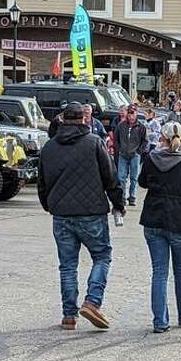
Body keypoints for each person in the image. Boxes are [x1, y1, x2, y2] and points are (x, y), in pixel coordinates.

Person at [37, 102, 125, 331]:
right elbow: (110, 177)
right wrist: (118, 203)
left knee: (67, 266)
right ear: (85, 120)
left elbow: (42, 183)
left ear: (63, 120)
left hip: (61, 214)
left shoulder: (49, 147)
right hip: (91, 212)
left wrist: (49, 205)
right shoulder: (94, 143)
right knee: (102, 256)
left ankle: (68, 315)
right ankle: (92, 301)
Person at [138, 121, 181, 333]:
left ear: (162, 138)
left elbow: (141, 182)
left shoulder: (152, 159)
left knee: (159, 272)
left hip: (154, 219)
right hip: (180, 222)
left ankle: (160, 320)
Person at [112, 104, 148, 207]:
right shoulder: (121, 126)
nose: (131, 116)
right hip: (123, 154)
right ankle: (122, 197)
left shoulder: (141, 127)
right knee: (121, 177)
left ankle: (132, 197)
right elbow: (116, 139)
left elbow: (145, 141)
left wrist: (139, 152)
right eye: (129, 113)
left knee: (134, 177)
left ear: (136, 113)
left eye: (133, 113)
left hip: (135, 155)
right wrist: (118, 150)